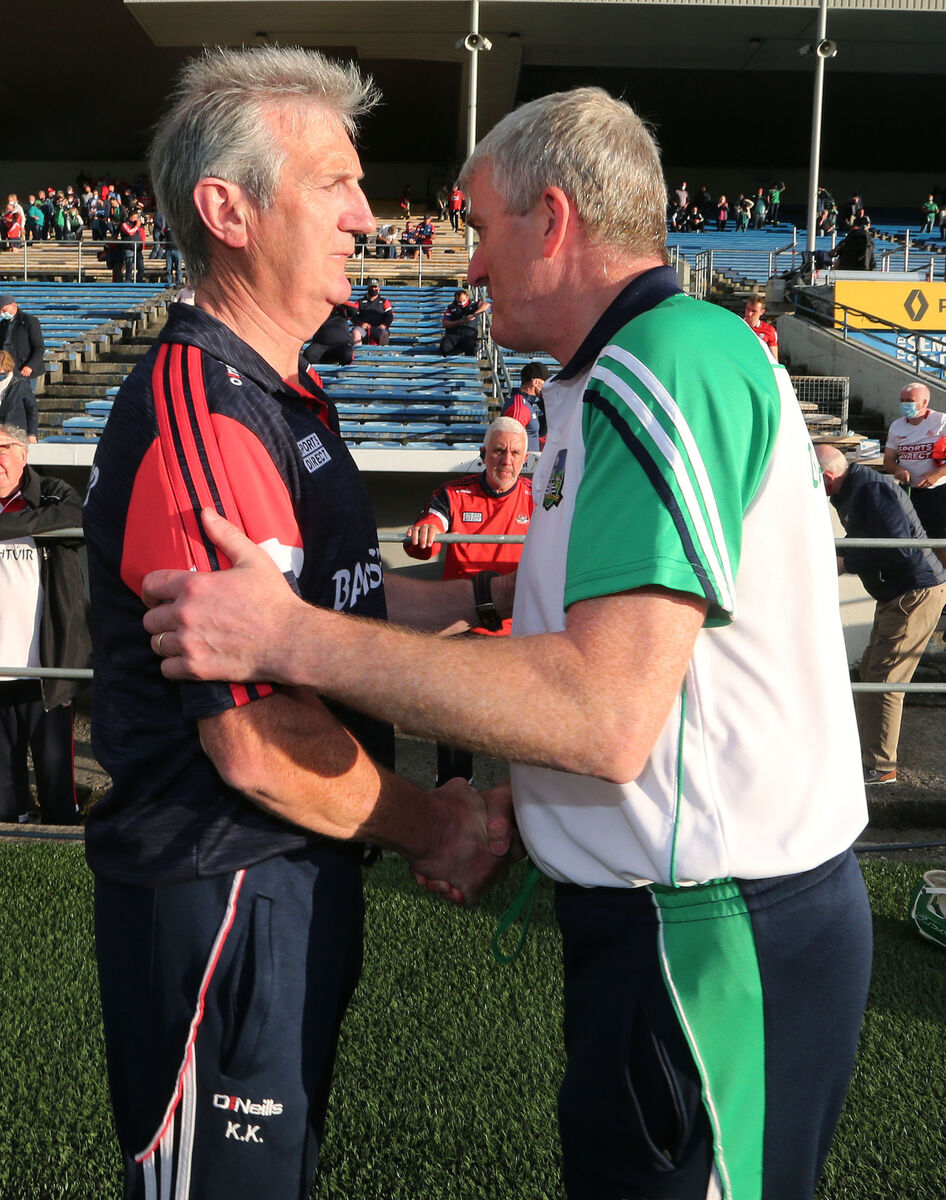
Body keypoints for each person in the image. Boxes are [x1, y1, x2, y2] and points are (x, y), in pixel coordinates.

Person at [144, 85, 872, 1200]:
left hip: (711, 932)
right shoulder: (611, 378)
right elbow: (547, 634)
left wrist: (289, 635)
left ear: (554, 218)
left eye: (479, 228)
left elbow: (599, 711)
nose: (468, 269)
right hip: (679, 926)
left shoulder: (666, 365)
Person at [83, 45, 513, 1200]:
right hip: (222, 881)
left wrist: (483, 595)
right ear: (228, 210)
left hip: (295, 870)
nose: (367, 216)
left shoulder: (283, 391)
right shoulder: (204, 418)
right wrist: (435, 823)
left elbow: (334, 609)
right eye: (333, 184)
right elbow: (253, 735)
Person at [403, 416, 534, 784]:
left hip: (517, 630)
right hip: (465, 626)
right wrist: (428, 527)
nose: (505, 460)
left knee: (528, 723)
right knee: (451, 713)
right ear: (483, 453)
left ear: (525, 459)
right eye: (498, 451)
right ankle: (454, 790)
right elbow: (430, 528)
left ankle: (521, 802)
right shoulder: (453, 493)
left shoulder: (540, 496)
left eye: (514, 453)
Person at [816, 444, 946, 785]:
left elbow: (899, 547)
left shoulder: (870, 489)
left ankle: (882, 766)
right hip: (897, 593)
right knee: (871, 673)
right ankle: (865, 754)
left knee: (885, 681)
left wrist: (846, 562)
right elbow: (872, 538)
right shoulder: (854, 489)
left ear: (828, 477)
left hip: (914, 592)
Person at [0, 424, 90, 824]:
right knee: (3, 784)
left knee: (55, 776)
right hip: (0, 669)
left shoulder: (52, 490)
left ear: (23, 454)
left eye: (2, 448)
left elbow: (75, 516)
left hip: (45, 667)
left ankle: (63, 835)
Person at [883, 382, 946, 564]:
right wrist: (898, 469)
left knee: (938, 539)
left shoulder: (941, 421)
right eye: (902, 400)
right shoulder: (897, 426)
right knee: (907, 535)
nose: (905, 405)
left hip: (938, 490)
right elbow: (888, 460)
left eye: (909, 401)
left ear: (924, 402)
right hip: (909, 490)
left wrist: (937, 474)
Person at [0, 295, 45, 396]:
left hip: (25, 369)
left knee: (25, 399)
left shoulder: (30, 321)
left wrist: (30, 366)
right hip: (8, 370)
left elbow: (39, 347)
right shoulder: (3, 325)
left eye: (4, 310)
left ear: (13, 305)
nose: (2, 313)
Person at [501, 361, 549, 451]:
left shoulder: (527, 404)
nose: (547, 386)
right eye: (545, 382)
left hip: (529, 461)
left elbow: (532, 435)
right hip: (524, 463)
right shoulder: (520, 406)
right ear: (535, 382)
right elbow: (511, 442)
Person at [439, 287, 489, 357]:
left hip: (469, 336)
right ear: (455, 299)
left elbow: (486, 305)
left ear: (467, 297)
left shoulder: (474, 304)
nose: (462, 303)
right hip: (453, 335)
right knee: (444, 348)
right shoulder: (450, 308)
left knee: (470, 348)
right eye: (459, 302)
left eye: (464, 301)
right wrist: (460, 322)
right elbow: (445, 323)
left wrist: (474, 314)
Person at [0, 351, 38, 441]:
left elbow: (32, 409)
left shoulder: (21, 384)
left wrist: (32, 434)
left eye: (2, 374)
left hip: (16, 433)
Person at [345, 279, 393, 346]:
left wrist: (385, 325)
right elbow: (353, 315)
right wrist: (361, 324)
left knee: (384, 333)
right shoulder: (360, 302)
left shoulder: (384, 302)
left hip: (378, 329)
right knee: (356, 332)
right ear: (367, 288)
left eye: (375, 287)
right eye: (371, 287)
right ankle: (358, 354)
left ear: (379, 289)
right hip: (363, 329)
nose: (373, 289)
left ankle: (383, 354)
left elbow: (389, 315)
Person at [743, 295, 778, 360]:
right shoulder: (738, 325)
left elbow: (774, 359)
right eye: (748, 309)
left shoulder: (769, 330)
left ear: (762, 312)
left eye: (754, 311)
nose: (749, 313)